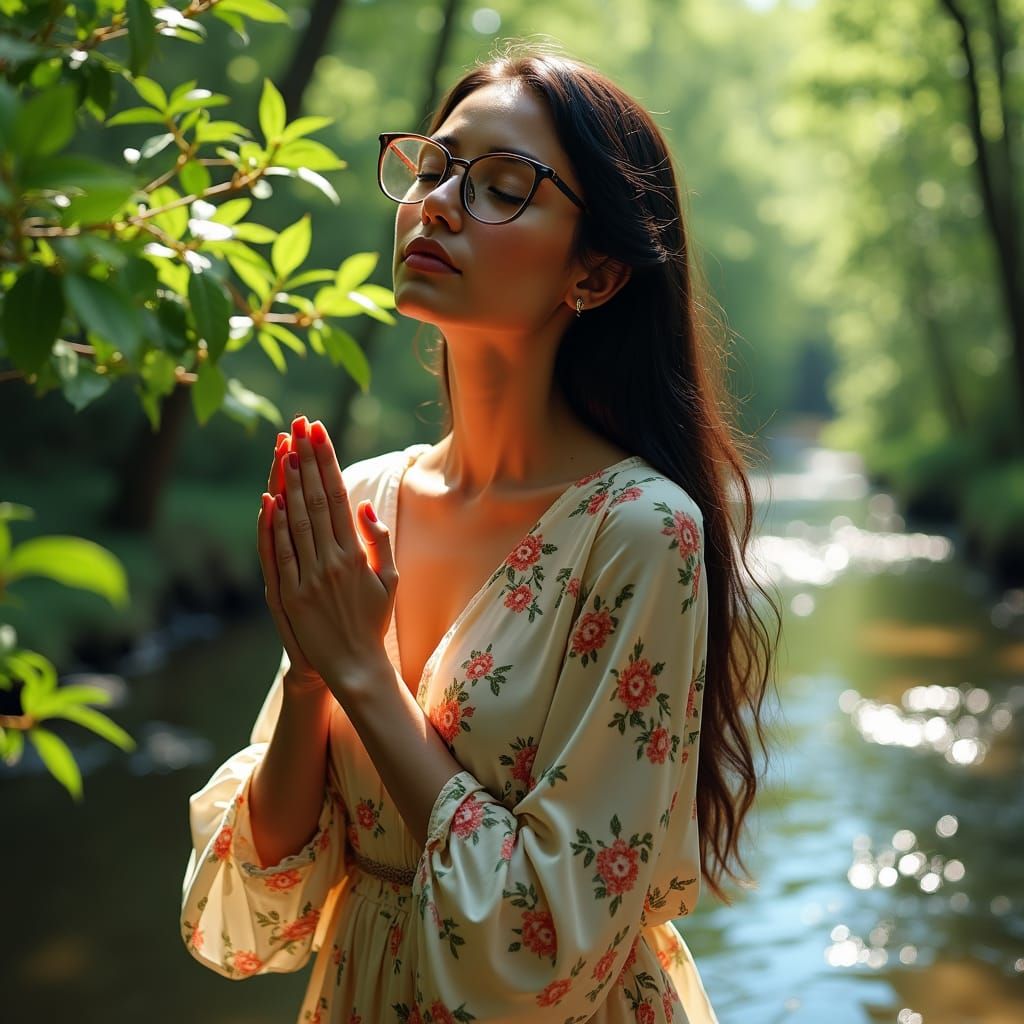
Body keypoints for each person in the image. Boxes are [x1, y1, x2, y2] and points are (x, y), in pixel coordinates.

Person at [180, 43, 779, 1024]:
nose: (440, 203)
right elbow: (261, 914)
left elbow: (543, 953)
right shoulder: (368, 499)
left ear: (594, 272)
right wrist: (312, 671)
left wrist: (365, 673)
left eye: (502, 185)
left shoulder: (637, 533)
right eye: (432, 168)